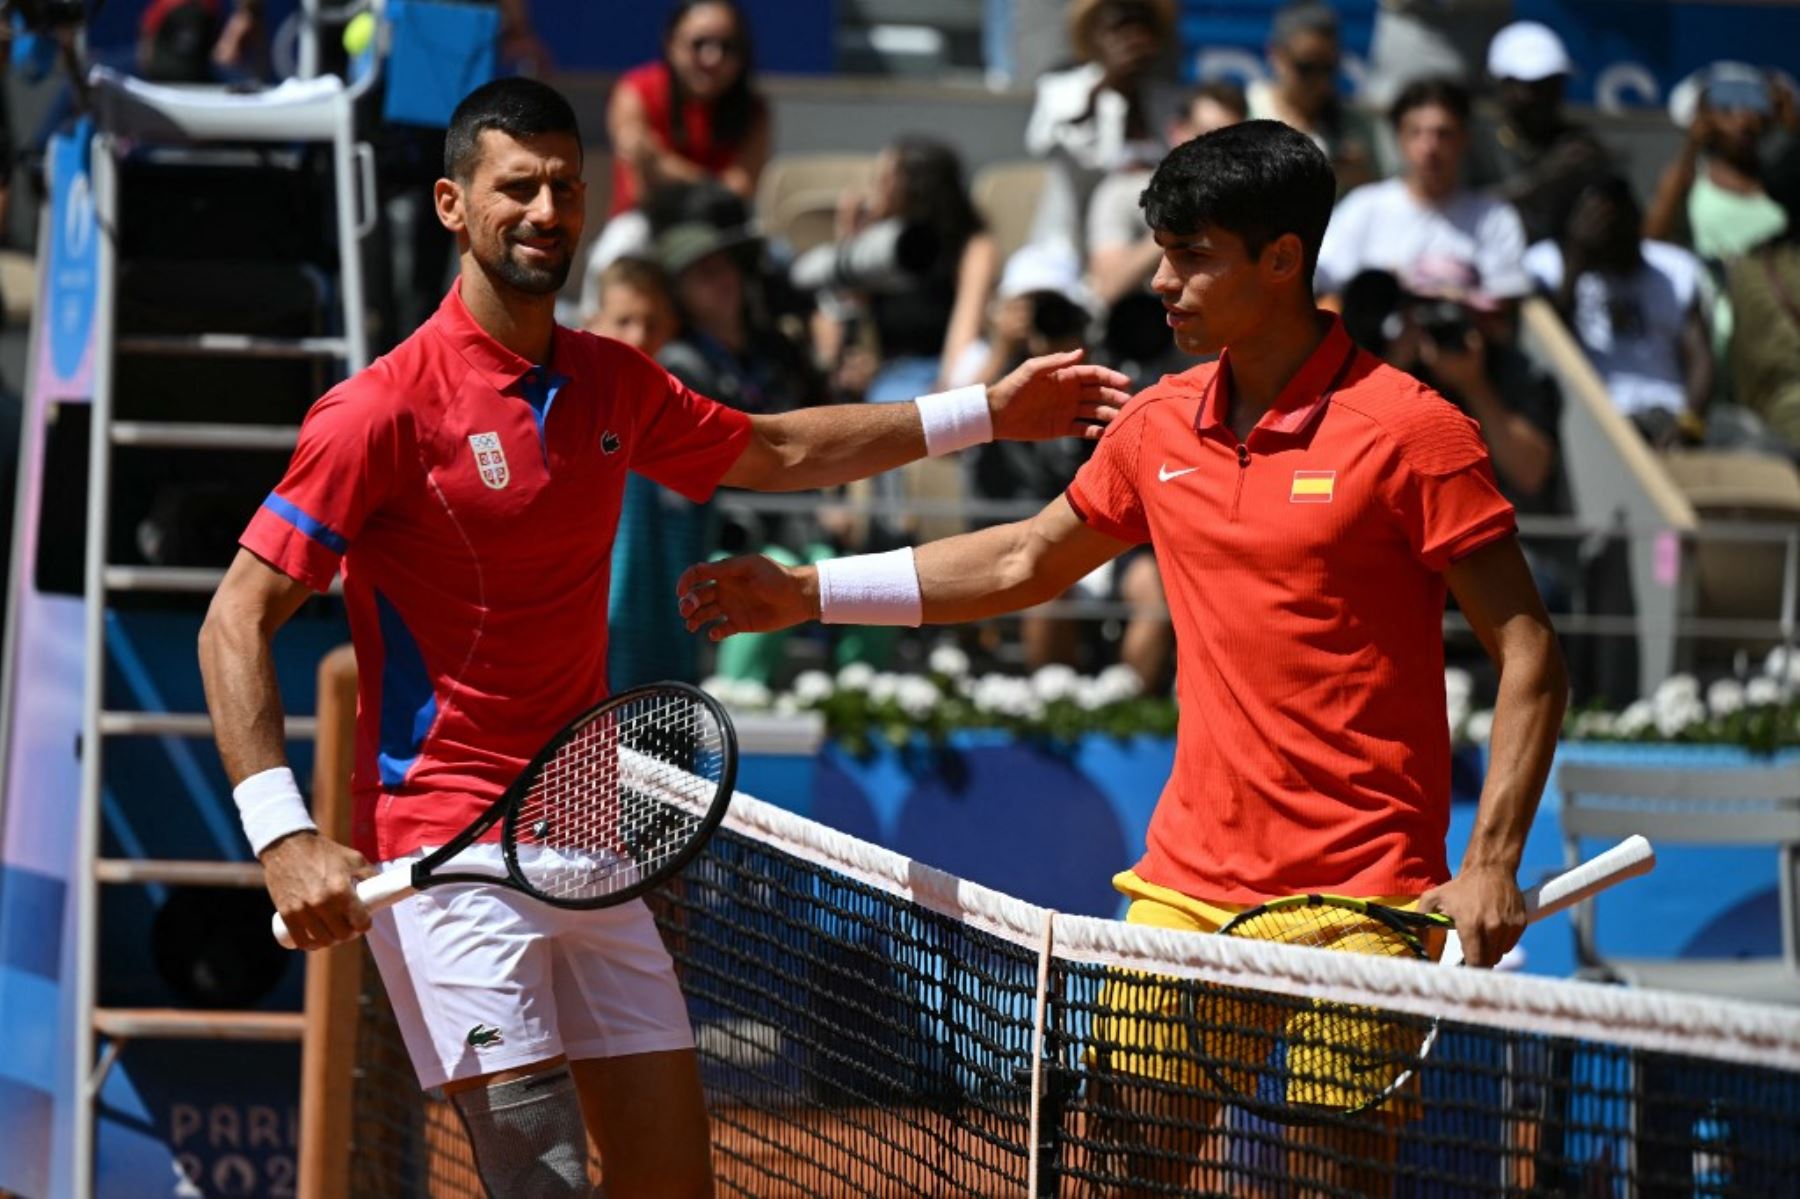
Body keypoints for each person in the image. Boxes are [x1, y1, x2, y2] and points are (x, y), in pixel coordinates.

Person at [197, 78, 1128, 1199]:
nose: (547, 210)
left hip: (589, 840)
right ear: (451, 204)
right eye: (517, 187)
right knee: (539, 1182)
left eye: (566, 187)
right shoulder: (379, 412)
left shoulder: (608, 379)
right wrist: (282, 834)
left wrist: (984, 408)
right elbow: (236, 615)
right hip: (446, 852)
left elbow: (777, 451)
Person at [679, 120, 1567, 1193]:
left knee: (1334, 1181)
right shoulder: (1156, 426)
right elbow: (1021, 556)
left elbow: (1530, 651)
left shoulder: (1413, 432)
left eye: (1192, 254)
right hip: (1185, 890)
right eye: (1160, 250)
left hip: (1369, 898)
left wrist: (1494, 857)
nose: (1162, 281)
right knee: (1120, 1170)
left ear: (1282, 260)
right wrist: (813, 590)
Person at [1525, 175, 1713, 444]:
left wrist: (1690, 423)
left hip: (1668, 415)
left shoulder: (1675, 269)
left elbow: (1700, 357)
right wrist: (1577, 261)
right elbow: (1547, 350)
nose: (1618, 235)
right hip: (1595, 422)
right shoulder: (1549, 267)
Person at [1315, 77, 1532, 307]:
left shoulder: (1495, 218)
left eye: (1443, 133)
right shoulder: (1363, 207)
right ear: (1399, 138)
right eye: (1416, 132)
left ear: (1465, 138)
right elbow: (1323, 283)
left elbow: (1504, 310)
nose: (1430, 147)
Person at [826, 136, 999, 402]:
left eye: (883, 180)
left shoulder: (971, 246)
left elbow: (965, 330)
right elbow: (851, 311)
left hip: (942, 374)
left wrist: (943, 398)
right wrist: (849, 238)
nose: (873, 190)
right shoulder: (876, 243)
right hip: (890, 374)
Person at [1023, 0, 1180, 258]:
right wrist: (1107, 88)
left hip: (1150, 248)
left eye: (1142, 26)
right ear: (1095, 37)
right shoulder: (1062, 90)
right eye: (1119, 27)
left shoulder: (1170, 102)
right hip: (1069, 241)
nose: (1133, 38)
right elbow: (1047, 146)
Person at [1086, 81, 1247, 308]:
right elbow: (1106, 287)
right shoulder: (1121, 193)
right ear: (1176, 131)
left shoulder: (1252, 203)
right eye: (1204, 136)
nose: (1215, 153)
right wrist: (1180, 224)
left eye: (1229, 142)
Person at [606, 0, 769, 220]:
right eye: (699, 43)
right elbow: (640, 177)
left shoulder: (754, 109)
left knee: (777, 252)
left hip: (720, 226)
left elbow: (740, 190)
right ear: (671, 44)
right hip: (645, 221)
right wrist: (713, 185)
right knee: (616, 248)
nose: (712, 58)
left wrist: (663, 165)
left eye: (727, 46)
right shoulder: (636, 90)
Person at [1470, 20, 1613, 245]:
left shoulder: (1577, 142)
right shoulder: (1476, 141)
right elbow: (1466, 210)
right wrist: (1545, 177)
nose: (1542, 98)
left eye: (1552, 85)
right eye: (1532, 87)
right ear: (1501, 85)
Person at [1645, 63, 1787, 263]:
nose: (1743, 121)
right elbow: (1652, 240)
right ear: (1704, 116)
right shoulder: (1690, 175)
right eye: (1726, 110)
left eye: (1752, 107)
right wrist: (1691, 146)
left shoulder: (1785, 178)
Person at [1247, 1, 1383, 195]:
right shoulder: (1245, 112)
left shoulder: (1359, 126)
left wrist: (1363, 180)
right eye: (1306, 68)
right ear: (1276, 55)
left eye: (1328, 68)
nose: (1320, 81)